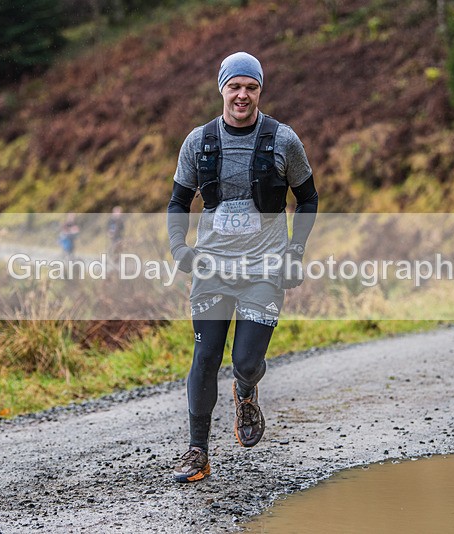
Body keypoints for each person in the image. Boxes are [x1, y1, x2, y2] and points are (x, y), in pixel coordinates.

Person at [167, 51, 319, 482]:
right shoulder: (199, 142)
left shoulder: (283, 140)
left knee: (246, 361)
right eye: (234, 86)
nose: (242, 95)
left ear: (260, 91)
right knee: (205, 356)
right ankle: (197, 451)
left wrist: (294, 252)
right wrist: (179, 248)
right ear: (222, 89)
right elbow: (178, 201)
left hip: (264, 269)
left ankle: (246, 390)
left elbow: (308, 198)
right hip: (211, 268)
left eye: (251, 87)